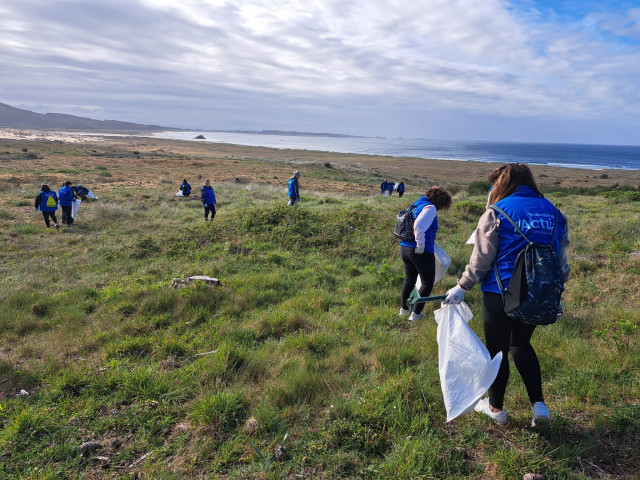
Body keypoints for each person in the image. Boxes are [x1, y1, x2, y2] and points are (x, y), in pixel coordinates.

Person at [443, 163, 570, 428]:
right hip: (537, 293)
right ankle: (539, 406)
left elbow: (482, 258)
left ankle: (496, 409)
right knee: (521, 345)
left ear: (503, 182)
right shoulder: (554, 212)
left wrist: (462, 287)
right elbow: (560, 258)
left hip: (498, 293)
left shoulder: (497, 211)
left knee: (497, 351)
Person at [399, 185, 452, 322]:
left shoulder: (417, 203)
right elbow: (418, 226)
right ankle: (416, 315)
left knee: (410, 278)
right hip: (419, 250)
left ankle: (404, 310)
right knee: (427, 282)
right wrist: (421, 245)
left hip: (405, 247)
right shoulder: (430, 208)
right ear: (441, 202)